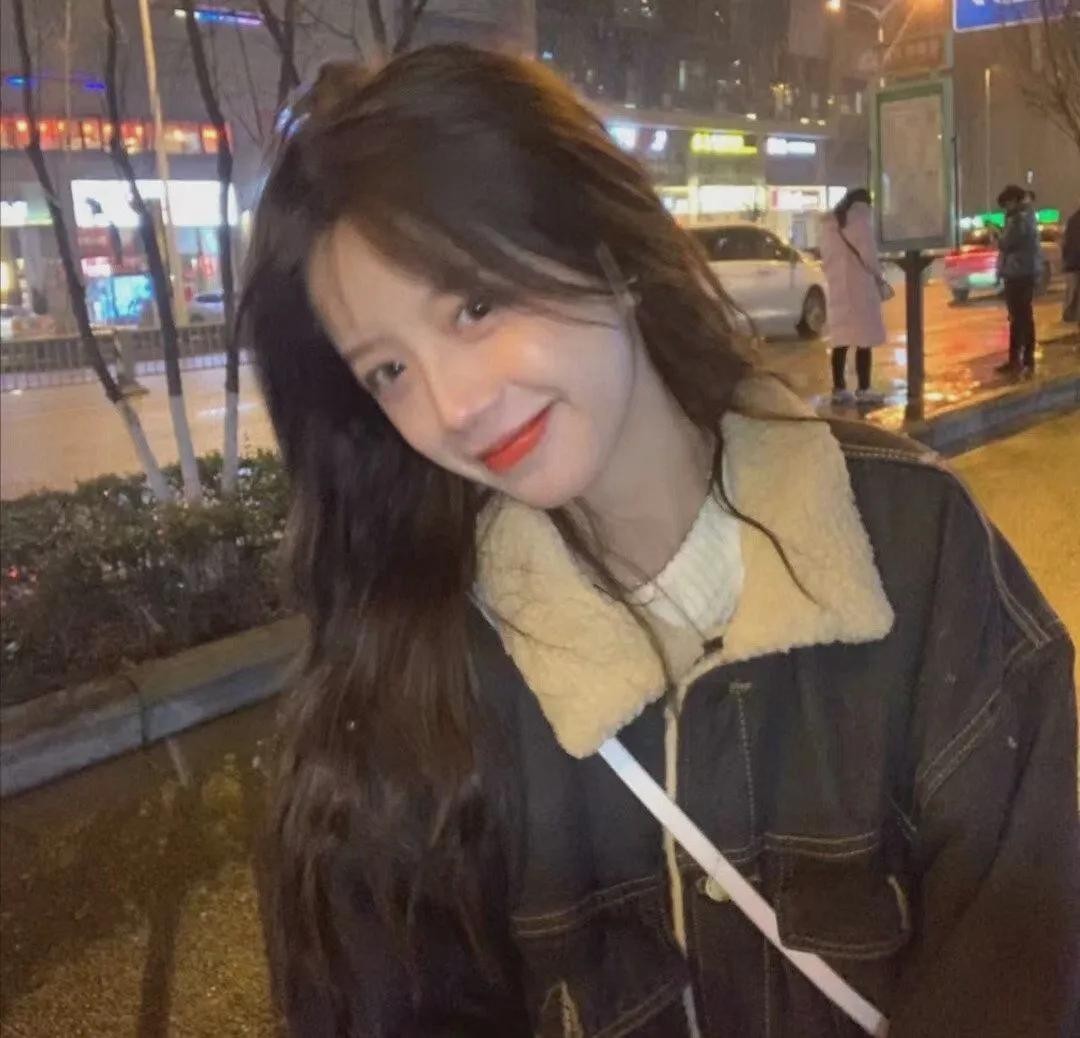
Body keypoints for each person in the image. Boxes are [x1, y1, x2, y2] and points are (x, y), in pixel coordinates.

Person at [239, 46, 1079, 1038]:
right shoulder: (425, 658)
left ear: (606, 248)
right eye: (388, 371)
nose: (452, 407)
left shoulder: (913, 546)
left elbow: (1023, 967)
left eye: (473, 305)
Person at [818, 188, 888, 406]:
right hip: (859, 288)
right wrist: (879, 274)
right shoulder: (860, 221)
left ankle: (839, 388)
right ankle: (864, 387)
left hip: (839, 288)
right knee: (864, 338)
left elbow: (826, 258)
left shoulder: (829, 225)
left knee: (840, 339)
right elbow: (869, 256)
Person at [994, 184, 1041, 375]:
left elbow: (1007, 243)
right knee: (1024, 317)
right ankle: (1025, 358)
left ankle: (1017, 360)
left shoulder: (1018, 219)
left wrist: (997, 234)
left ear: (1013, 200)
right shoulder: (1026, 215)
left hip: (1018, 273)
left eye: (1006, 205)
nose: (1005, 209)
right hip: (1024, 272)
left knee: (1019, 318)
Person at [1062, 204, 1080, 327]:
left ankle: (1071, 315)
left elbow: (1067, 243)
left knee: (1074, 291)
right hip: (1076, 262)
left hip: (1073, 262)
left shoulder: (1073, 219)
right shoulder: (1075, 220)